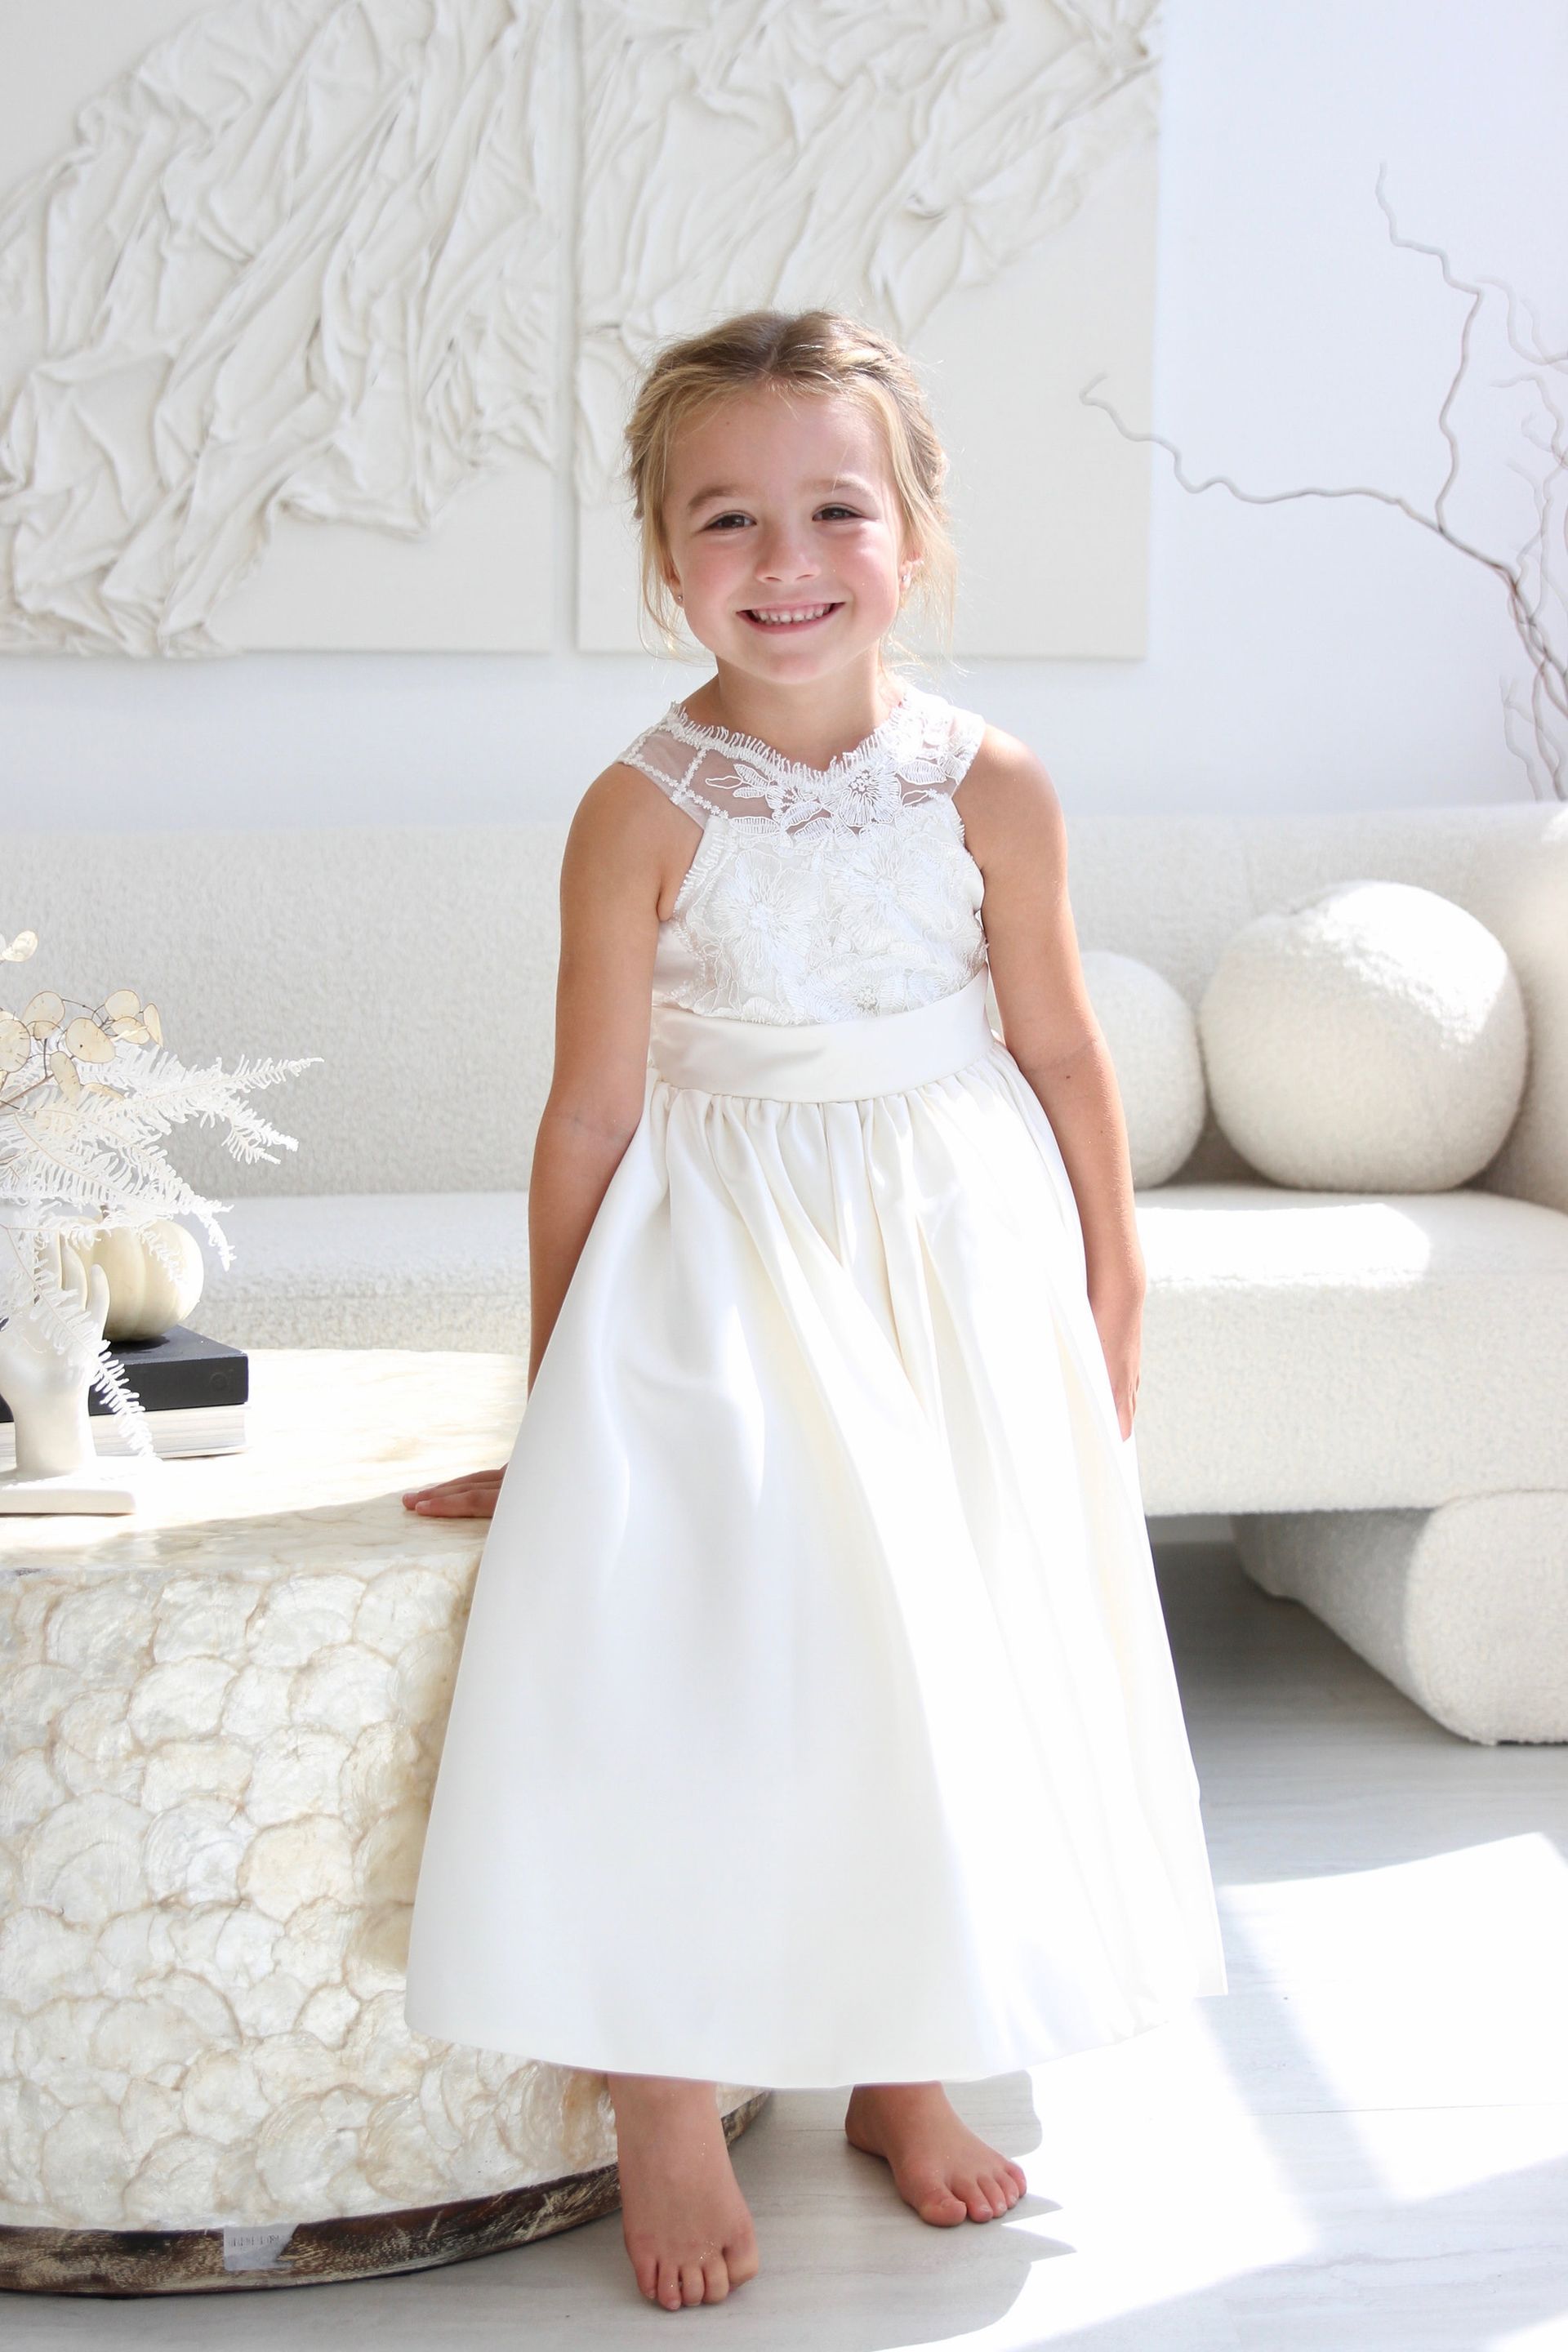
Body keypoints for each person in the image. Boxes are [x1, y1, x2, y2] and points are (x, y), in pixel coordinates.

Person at [399, 306, 1228, 2314]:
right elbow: (593, 1106)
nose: (787, 561)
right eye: (728, 519)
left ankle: (903, 2060)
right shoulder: (643, 807)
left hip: (956, 1265)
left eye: (835, 508)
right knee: (708, 1659)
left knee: (932, 1654)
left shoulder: (991, 786)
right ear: (665, 555)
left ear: (918, 533)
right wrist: (561, 1395)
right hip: (728, 1258)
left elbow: (1062, 1055)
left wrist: (1113, 1286)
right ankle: (666, 2097)